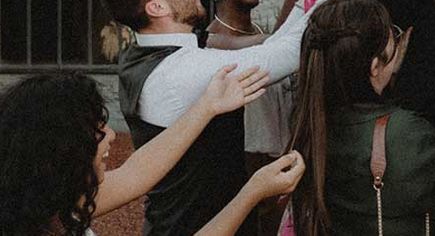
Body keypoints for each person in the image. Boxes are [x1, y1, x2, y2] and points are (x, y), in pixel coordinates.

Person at [99, 0, 404, 235]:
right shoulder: (178, 74)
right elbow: (290, 49)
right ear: (157, 6)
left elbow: (279, 41)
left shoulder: (156, 58)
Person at [0, 68, 304, 236]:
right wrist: (251, 194)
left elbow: (138, 171)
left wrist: (207, 106)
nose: (110, 136)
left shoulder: (44, 201)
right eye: (98, 130)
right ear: (64, 148)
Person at [290, 0, 435, 236]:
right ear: (374, 66)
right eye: (392, 39)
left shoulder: (306, 118)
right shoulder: (409, 135)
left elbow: (341, 35)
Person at [182, 0, 316, 235]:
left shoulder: (259, 36)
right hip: (254, 180)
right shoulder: (214, 42)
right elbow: (282, 43)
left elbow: (279, 40)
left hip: (287, 169)